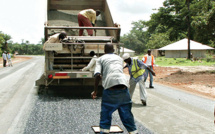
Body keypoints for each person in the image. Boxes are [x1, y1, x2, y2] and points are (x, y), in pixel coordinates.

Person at [92, 43, 138, 134]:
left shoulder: (100, 59)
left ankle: (104, 132)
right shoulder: (120, 59)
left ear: (104, 51)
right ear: (113, 50)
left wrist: (95, 91)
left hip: (110, 88)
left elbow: (97, 75)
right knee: (127, 114)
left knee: (106, 113)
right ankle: (134, 132)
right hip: (124, 86)